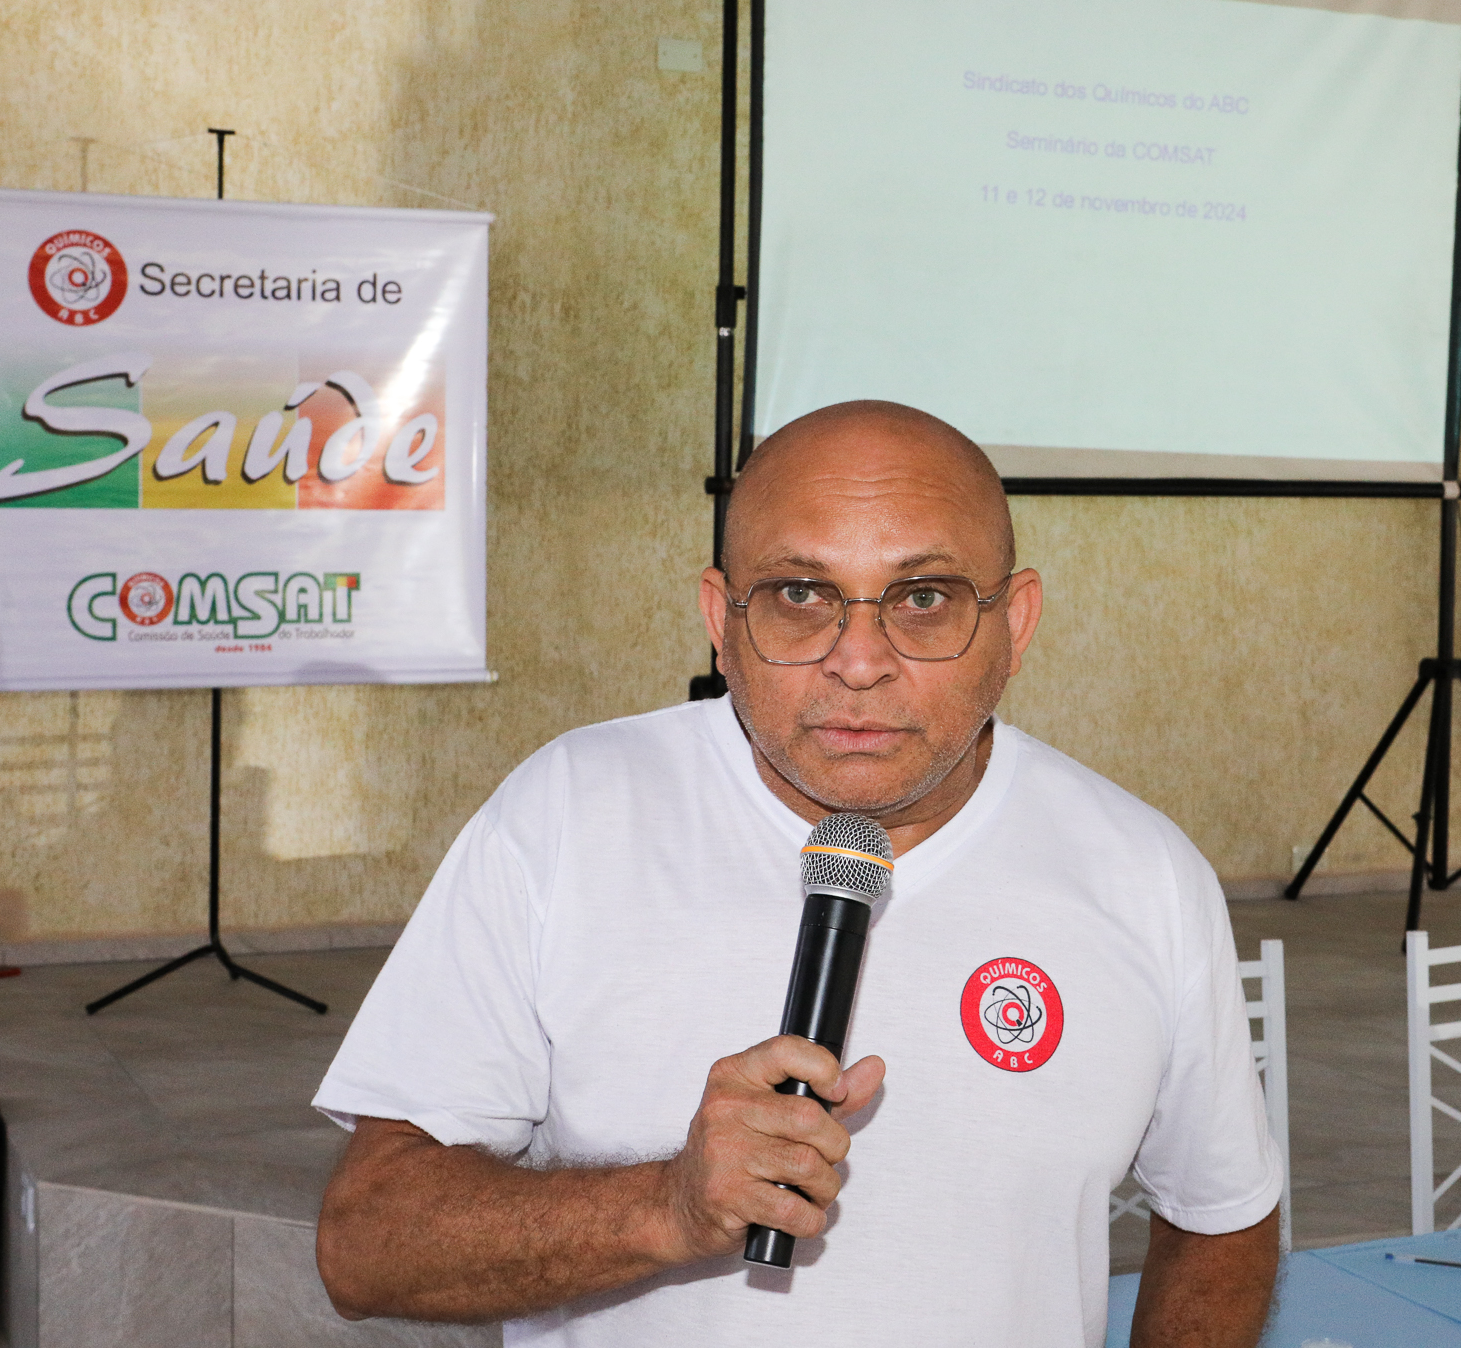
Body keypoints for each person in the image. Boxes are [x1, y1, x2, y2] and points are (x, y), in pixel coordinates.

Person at [313, 401, 1283, 1346]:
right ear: (719, 622)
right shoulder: (569, 814)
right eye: (801, 595)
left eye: (924, 597)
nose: (859, 662)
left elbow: (1224, 1217)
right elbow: (365, 1246)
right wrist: (666, 1206)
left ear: (1016, 622)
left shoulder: (1143, 875)